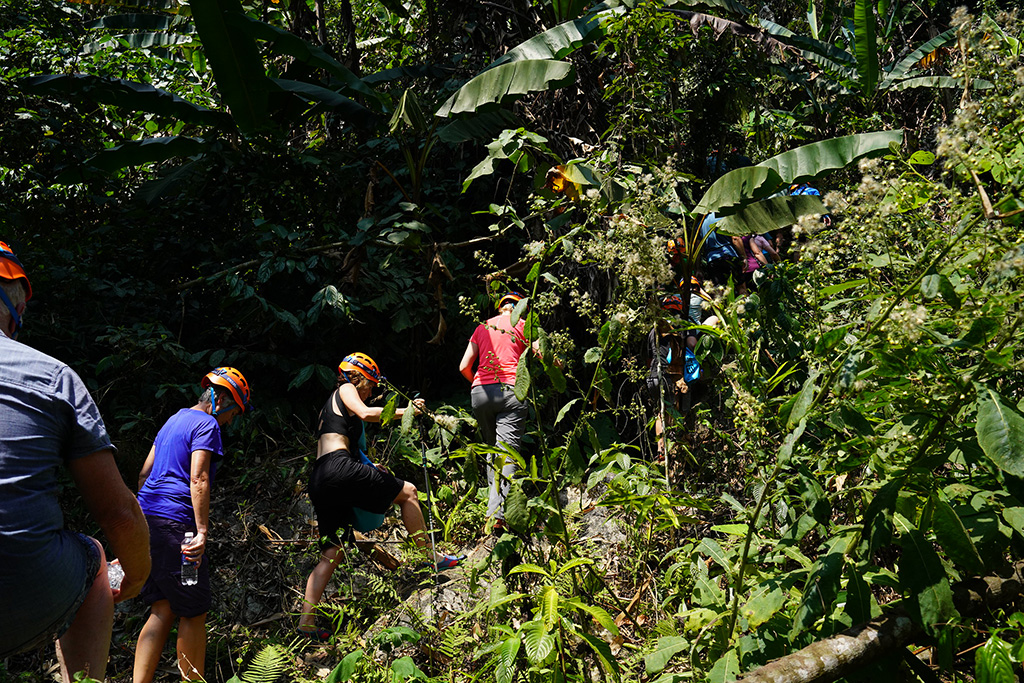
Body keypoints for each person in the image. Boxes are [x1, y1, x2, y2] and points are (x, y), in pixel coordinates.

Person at [0, 240, 151, 683]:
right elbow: (118, 511)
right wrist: (137, 577)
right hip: (24, 592)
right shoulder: (50, 376)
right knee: (93, 554)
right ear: (15, 297)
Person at [299, 354, 464, 642]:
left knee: (332, 552)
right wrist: (407, 410)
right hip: (338, 468)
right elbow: (365, 413)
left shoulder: (329, 409)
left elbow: (340, 440)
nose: (372, 392)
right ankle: (430, 557)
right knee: (409, 492)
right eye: (371, 385)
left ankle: (306, 622)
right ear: (358, 377)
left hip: (321, 477)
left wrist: (369, 467)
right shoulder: (345, 388)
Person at [133, 367, 251, 683]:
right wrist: (200, 532)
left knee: (162, 607)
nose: (230, 420)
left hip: (149, 523)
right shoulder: (207, 423)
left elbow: (144, 473)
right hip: (179, 532)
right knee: (194, 610)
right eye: (233, 412)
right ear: (220, 398)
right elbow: (198, 477)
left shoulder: (173, 420)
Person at [459, 292, 535, 531]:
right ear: (518, 309)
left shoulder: (482, 327)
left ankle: (493, 511)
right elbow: (543, 354)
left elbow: (463, 366)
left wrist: (479, 384)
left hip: (480, 392)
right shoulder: (523, 326)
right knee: (508, 452)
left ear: (500, 308)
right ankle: (498, 516)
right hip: (511, 390)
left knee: (493, 450)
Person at [646, 295, 690, 461]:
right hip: (665, 374)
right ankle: (667, 449)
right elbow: (674, 357)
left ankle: (660, 451)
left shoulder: (652, 331)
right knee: (669, 413)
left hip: (652, 376)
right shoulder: (673, 330)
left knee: (661, 413)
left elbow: (649, 358)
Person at [698, 213, 741, 288]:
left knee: (719, 290)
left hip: (712, 260)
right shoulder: (724, 217)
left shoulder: (700, 224)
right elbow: (735, 238)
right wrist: (743, 257)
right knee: (740, 286)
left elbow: (697, 248)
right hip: (729, 255)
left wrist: (698, 268)